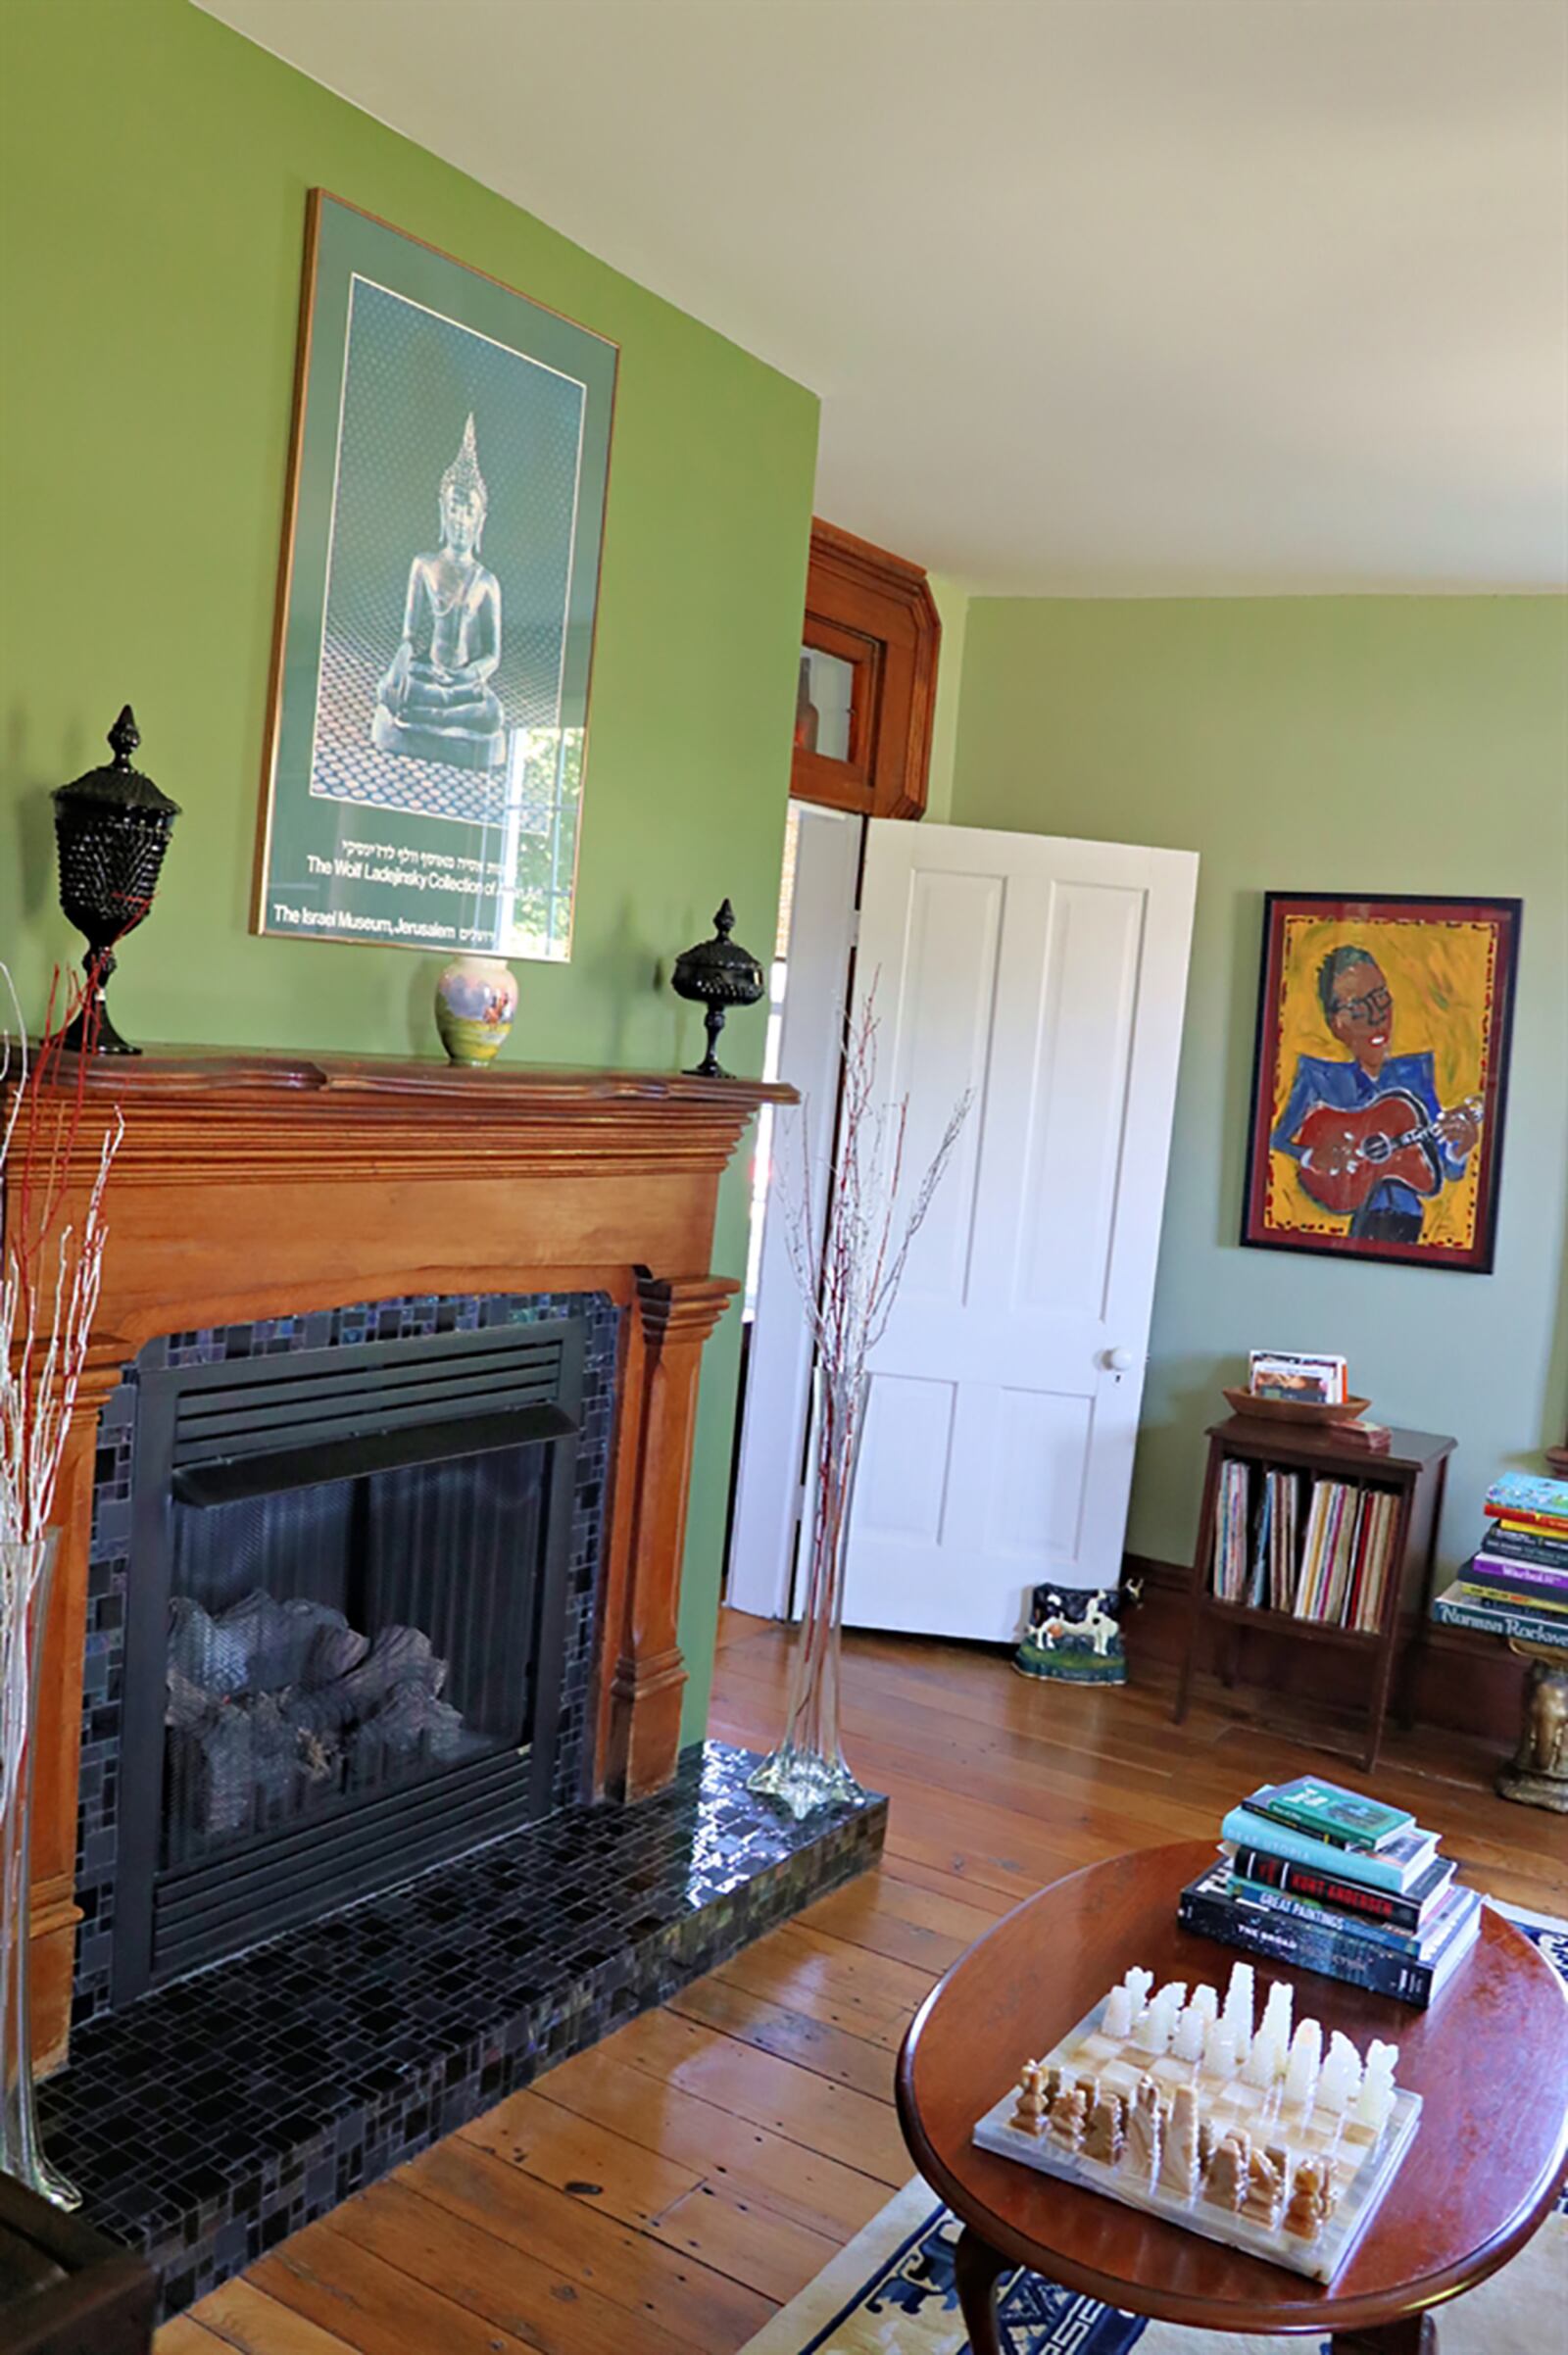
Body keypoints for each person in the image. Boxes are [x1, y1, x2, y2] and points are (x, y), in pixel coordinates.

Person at [1271, 945, 1480, 1244]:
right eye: (1357, 1009)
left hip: (1408, 1222)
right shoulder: (1318, 1077)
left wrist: (1458, 1150)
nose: (1376, 1017)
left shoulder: (1415, 1075)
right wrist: (1310, 1157)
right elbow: (1276, 1141)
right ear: (1336, 1025)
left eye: (1380, 998)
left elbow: (1439, 1163)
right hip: (1338, 1220)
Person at [373, 414, 507, 771]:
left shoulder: (487, 583)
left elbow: (492, 655)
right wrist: (401, 661)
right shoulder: (423, 565)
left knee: (493, 713)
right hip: (428, 676)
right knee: (388, 690)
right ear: (441, 511)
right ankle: (428, 714)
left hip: (463, 686)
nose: (461, 520)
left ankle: (422, 719)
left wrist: (467, 676)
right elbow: (408, 634)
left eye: (469, 511)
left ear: (481, 520)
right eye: (454, 508)